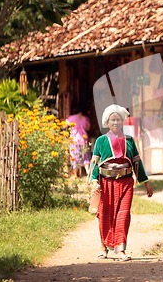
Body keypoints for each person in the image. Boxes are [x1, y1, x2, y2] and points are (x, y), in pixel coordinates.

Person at [89, 104, 153, 262]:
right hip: (106, 184)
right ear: (107, 122)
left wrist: (145, 182)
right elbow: (94, 164)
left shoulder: (130, 141)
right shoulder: (101, 141)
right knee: (105, 215)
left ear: (122, 121)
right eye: (113, 120)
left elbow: (137, 163)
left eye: (118, 119)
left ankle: (120, 249)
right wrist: (94, 181)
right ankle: (103, 246)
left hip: (126, 184)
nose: (116, 123)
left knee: (123, 215)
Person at [66, 106, 92, 178]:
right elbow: (88, 128)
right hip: (84, 140)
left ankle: (75, 175)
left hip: (75, 140)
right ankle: (88, 173)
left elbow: (65, 125)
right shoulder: (86, 119)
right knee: (86, 158)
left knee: (75, 157)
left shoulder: (72, 118)